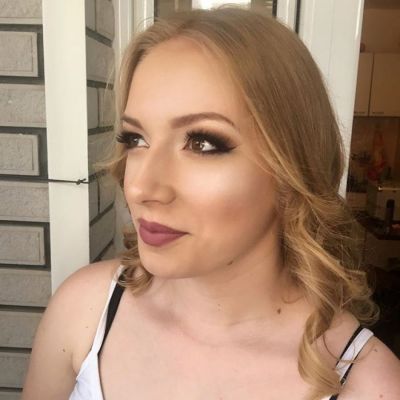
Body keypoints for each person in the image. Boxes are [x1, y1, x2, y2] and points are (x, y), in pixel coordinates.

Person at [22, 6, 400, 400]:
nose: (141, 187)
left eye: (202, 143)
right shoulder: (85, 309)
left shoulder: (369, 386)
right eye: (136, 139)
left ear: (292, 168)